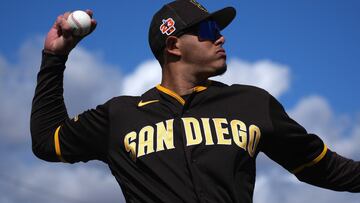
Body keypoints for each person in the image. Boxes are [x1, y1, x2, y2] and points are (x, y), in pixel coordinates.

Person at [31, 0, 360, 202]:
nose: (221, 36)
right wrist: (54, 57)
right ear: (173, 45)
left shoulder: (252, 103)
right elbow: (48, 141)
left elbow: (323, 167)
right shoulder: (121, 115)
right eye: (208, 29)